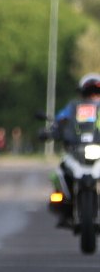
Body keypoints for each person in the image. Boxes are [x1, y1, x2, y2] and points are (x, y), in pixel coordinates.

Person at [48, 73, 100, 223]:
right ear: (82, 94)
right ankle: (65, 205)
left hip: (98, 149)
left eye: (97, 93)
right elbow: (59, 120)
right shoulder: (72, 109)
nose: (94, 97)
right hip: (76, 150)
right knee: (61, 171)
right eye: (90, 93)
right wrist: (52, 130)